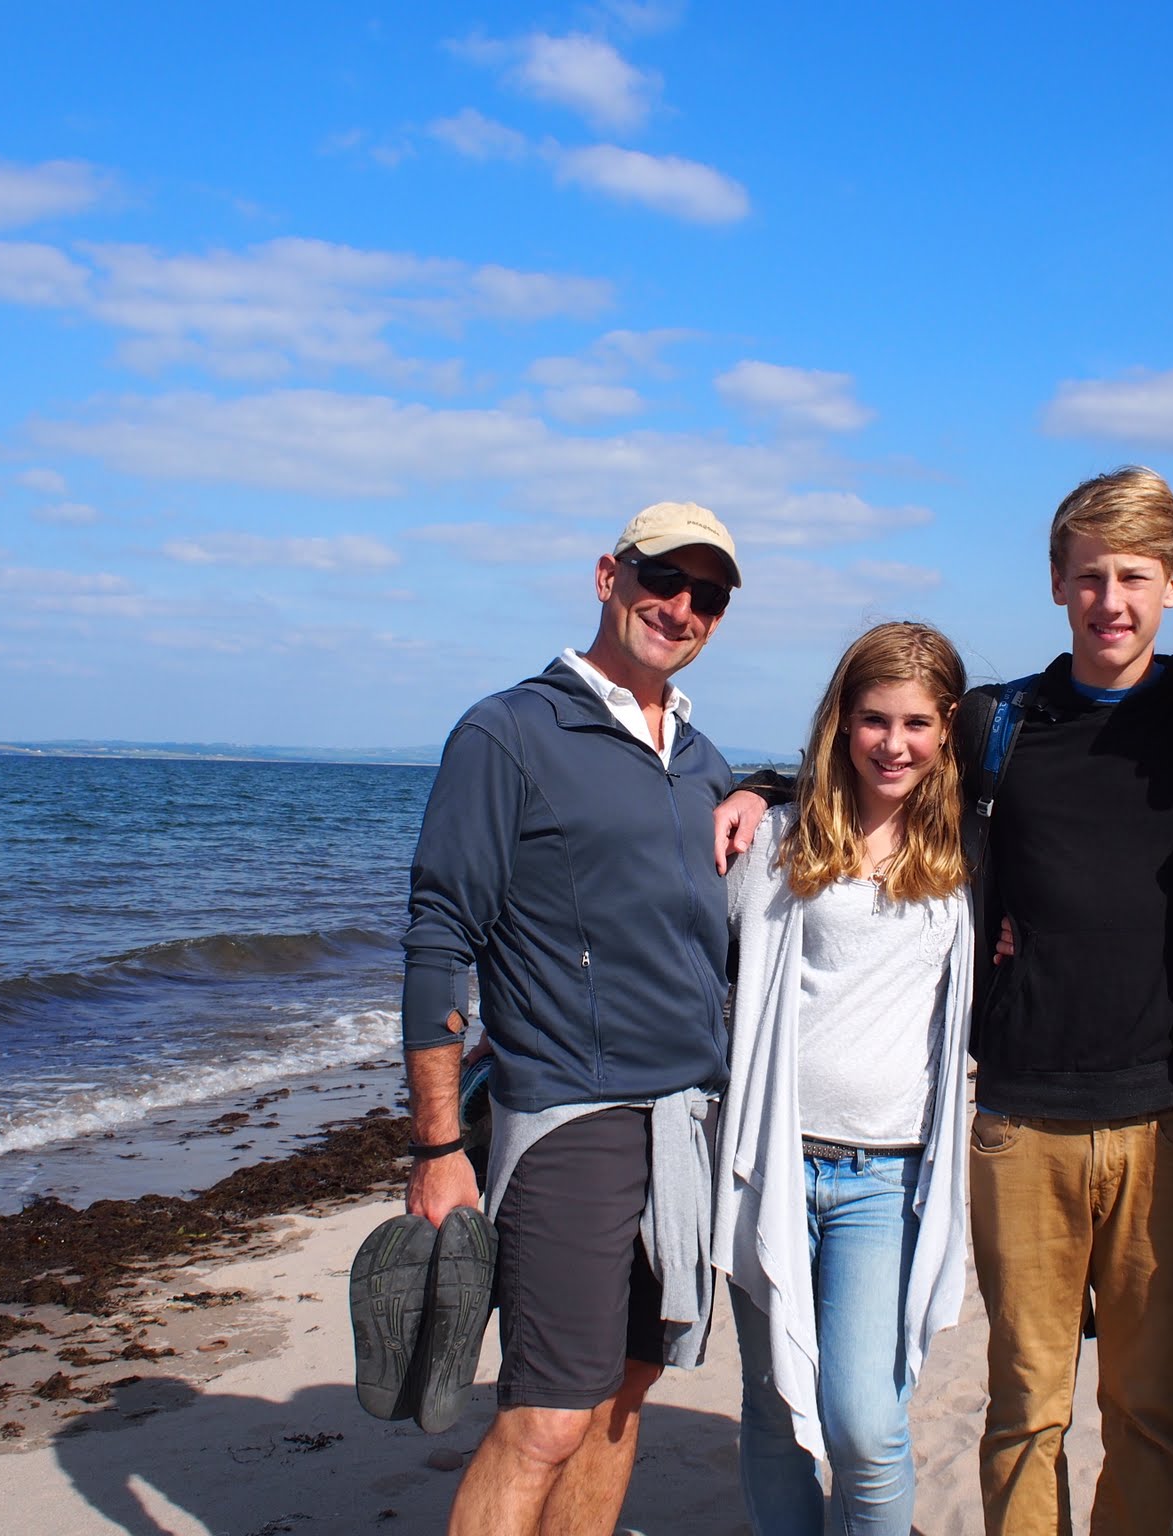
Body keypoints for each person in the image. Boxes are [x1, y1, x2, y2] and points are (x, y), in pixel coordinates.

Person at [717, 467, 1173, 1536]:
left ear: (1171, 586)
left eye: (1133, 578)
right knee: (1024, 1411)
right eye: (1089, 576)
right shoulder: (1001, 722)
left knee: (1145, 1413)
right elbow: (871, 760)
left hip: (1165, 1129)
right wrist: (756, 790)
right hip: (1019, 1124)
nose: (1110, 601)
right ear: (1056, 583)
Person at [400, 501, 743, 1536]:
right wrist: (435, 1146)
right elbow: (435, 937)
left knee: (621, 1396)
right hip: (568, 1118)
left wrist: (769, 788)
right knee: (546, 1414)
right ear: (608, 576)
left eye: (706, 595)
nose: (679, 606)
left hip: (686, 1122)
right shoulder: (508, 732)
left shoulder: (701, 757)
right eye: (661, 578)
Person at [715, 621, 976, 1535]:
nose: (893, 744)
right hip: (772, 1163)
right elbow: (674, 942)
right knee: (776, 1413)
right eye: (873, 720)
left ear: (947, 727)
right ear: (841, 721)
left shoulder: (969, 852)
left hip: (887, 1177)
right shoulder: (778, 840)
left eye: (914, 722)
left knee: (864, 1421)